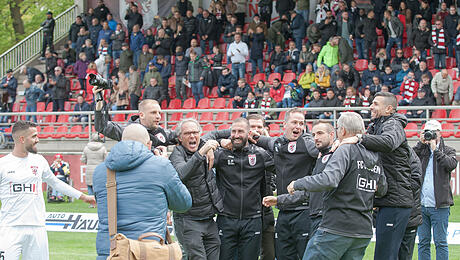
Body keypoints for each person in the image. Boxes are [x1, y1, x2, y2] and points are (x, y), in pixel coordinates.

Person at [289, 112, 387, 260]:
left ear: (342, 131)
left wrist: (298, 183)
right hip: (362, 230)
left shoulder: (344, 149)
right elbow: (382, 189)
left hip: (337, 227)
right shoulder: (375, 154)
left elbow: (329, 180)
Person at [92, 124, 192, 260]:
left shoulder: (100, 171)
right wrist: (166, 166)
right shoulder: (161, 166)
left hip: (111, 253)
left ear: (122, 142)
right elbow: (183, 204)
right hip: (149, 251)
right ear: (149, 144)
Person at [0, 121, 95, 260]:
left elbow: (56, 183)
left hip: (37, 227)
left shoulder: (39, 161)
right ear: (21, 139)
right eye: (34, 136)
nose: (37, 139)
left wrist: (84, 197)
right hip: (9, 228)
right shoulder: (3, 164)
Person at [341, 92, 413, 260]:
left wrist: (359, 138)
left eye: (375, 103)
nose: (370, 106)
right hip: (387, 200)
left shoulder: (393, 124)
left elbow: (388, 142)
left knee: (385, 255)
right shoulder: (377, 126)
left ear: (389, 109)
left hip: (395, 202)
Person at [251, 108, 319, 260]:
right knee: (283, 256)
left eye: (301, 123)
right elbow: (263, 140)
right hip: (283, 211)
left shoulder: (308, 144)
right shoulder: (278, 143)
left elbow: (326, 149)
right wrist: (251, 135)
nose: (298, 127)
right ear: (284, 124)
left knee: (306, 256)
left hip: (304, 210)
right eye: (294, 122)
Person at [214, 118, 274, 260]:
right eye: (233, 131)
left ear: (248, 133)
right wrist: (218, 141)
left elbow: (283, 160)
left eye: (240, 131)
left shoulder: (260, 154)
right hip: (226, 218)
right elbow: (204, 140)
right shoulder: (221, 154)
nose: (236, 135)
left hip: (252, 219)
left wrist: (261, 139)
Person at [169, 119, 223, 260]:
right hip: (188, 219)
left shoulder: (205, 146)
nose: (192, 136)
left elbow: (219, 133)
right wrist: (201, 153)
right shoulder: (177, 154)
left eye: (195, 132)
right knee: (197, 257)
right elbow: (181, 174)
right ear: (180, 138)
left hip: (209, 218)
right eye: (187, 133)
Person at [413, 120, 457, 260]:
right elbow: (409, 159)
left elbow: (450, 165)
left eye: (433, 132)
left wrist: (435, 150)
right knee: (423, 243)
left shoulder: (448, 150)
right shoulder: (421, 150)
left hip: (440, 205)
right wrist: (420, 143)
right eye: (428, 132)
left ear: (440, 133)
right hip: (422, 205)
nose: (430, 135)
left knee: (440, 242)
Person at [245, 114, 276, 260]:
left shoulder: (271, 149)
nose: (256, 130)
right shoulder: (236, 149)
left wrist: (267, 141)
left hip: (266, 210)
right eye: (252, 127)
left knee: (270, 254)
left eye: (259, 127)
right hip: (245, 212)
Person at [398, 147, 422, 260]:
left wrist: (395, 190)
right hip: (393, 214)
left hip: (410, 215)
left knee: (405, 255)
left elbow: (416, 182)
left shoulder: (411, 155)